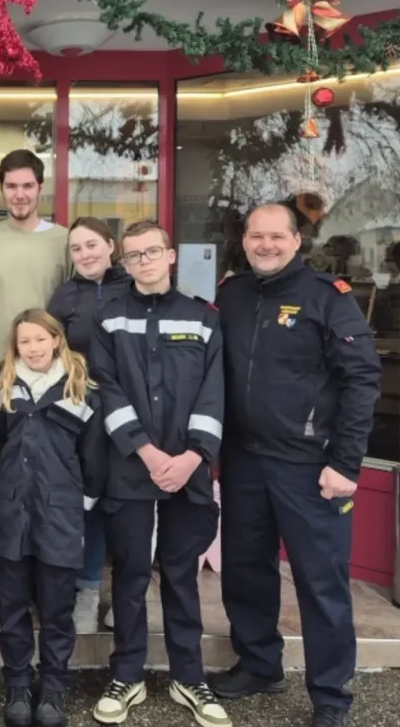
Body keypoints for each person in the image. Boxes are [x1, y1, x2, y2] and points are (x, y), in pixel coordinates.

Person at [208, 204, 382, 727]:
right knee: (244, 568)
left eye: (276, 236)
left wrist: (346, 462)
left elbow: (361, 380)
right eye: (256, 236)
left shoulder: (328, 298)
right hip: (242, 460)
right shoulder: (232, 293)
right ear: (244, 240)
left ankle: (330, 695)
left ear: (296, 240)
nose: (265, 245)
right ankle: (259, 663)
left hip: (309, 466)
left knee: (319, 580)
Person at [91, 221, 228, 727]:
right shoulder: (108, 319)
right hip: (130, 468)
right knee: (128, 574)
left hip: (187, 472)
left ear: (170, 256)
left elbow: (213, 395)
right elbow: (107, 390)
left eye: (152, 252)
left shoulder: (203, 319)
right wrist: (146, 452)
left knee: (179, 575)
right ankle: (126, 673)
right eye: (133, 256)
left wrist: (193, 456)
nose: (144, 261)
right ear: (123, 263)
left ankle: (188, 676)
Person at [0, 310, 107, 727]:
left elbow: (93, 453)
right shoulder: (1, 385)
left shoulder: (81, 387)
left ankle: (54, 688)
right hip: (11, 512)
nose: (33, 348)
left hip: (60, 514)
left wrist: (85, 501)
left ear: (56, 339)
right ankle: (18, 683)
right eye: (24, 342)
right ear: (14, 346)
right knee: (13, 604)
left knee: (57, 608)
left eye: (40, 339)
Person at [0, 149, 69, 615]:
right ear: (2, 189)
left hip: (52, 385)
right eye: (12, 186)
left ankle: (44, 577)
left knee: (49, 481)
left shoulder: (64, 241)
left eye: (28, 186)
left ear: (40, 188)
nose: (20, 194)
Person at [46, 216, 129, 634]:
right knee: (91, 504)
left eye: (92, 245)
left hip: (132, 413)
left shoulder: (133, 288)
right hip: (84, 413)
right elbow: (50, 353)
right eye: (76, 248)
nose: (85, 254)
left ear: (111, 246)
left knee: (129, 507)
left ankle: (127, 593)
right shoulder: (63, 297)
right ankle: (88, 590)